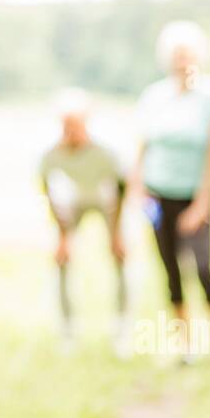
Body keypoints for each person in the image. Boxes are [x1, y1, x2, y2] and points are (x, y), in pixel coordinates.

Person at [130, 21, 210, 361]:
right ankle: (184, 345)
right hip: (159, 194)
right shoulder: (154, 96)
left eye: (187, 54)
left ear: (199, 56)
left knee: (203, 268)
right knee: (170, 271)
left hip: (194, 194)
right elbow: (142, 147)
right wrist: (138, 189)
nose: (182, 61)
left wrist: (202, 201)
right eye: (176, 55)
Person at [38, 88, 128, 349]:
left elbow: (122, 188)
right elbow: (49, 191)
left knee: (121, 256)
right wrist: (64, 236)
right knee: (61, 259)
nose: (70, 131)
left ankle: (121, 329)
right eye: (65, 125)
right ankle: (68, 331)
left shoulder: (105, 149)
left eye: (75, 125)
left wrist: (116, 234)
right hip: (74, 202)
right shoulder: (52, 153)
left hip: (108, 199)